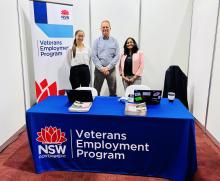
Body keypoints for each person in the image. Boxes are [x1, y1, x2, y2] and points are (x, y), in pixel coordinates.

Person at [92, 20, 119, 96]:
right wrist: (101, 68)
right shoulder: (96, 41)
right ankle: (96, 106)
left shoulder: (115, 41)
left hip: (111, 70)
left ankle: (112, 107)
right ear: (100, 29)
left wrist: (108, 68)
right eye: (103, 27)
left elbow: (117, 56)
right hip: (99, 70)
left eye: (107, 27)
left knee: (113, 91)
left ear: (110, 28)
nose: (105, 28)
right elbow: (94, 56)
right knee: (96, 91)